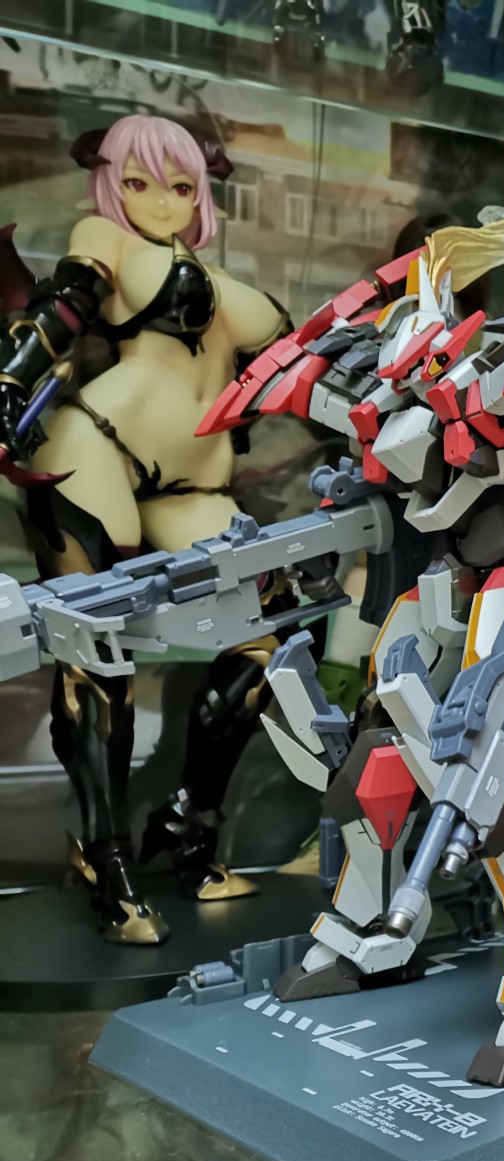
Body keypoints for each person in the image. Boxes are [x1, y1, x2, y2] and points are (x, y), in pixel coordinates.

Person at [0, 115, 293, 941]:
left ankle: (188, 817)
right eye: (137, 182)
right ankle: (108, 859)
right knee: (96, 652)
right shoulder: (107, 240)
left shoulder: (217, 275)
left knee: (273, 634)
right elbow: (63, 309)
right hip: (94, 449)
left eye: (180, 185)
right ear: (109, 186)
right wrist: (8, 386)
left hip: (192, 484)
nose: (161, 201)